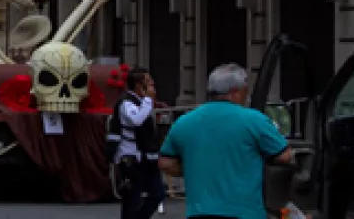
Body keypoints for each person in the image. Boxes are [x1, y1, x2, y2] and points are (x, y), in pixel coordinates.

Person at [158, 63, 294, 219]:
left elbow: (165, 163)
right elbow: (284, 156)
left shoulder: (184, 121)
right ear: (235, 92)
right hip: (245, 213)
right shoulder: (255, 120)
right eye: (245, 91)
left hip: (200, 213)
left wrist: (194, 169)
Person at [115, 67, 165, 219]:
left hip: (147, 156)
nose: (152, 85)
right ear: (138, 85)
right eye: (148, 82)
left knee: (158, 193)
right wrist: (148, 100)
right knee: (132, 200)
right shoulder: (126, 103)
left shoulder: (142, 102)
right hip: (131, 157)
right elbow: (136, 120)